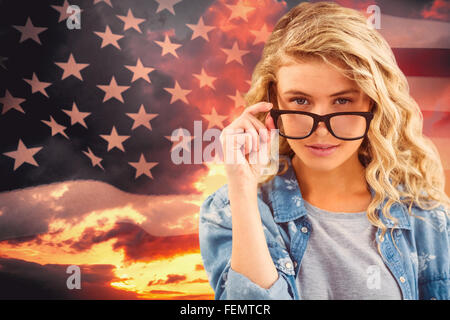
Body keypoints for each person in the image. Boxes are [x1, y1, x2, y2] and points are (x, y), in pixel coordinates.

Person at [199, 1, 449, 300]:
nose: (321, 129)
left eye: (342, 101)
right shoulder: (228, 210)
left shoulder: (425, 216)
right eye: (300, 101)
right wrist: (242, 189)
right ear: (273, 101)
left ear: (374, 104)